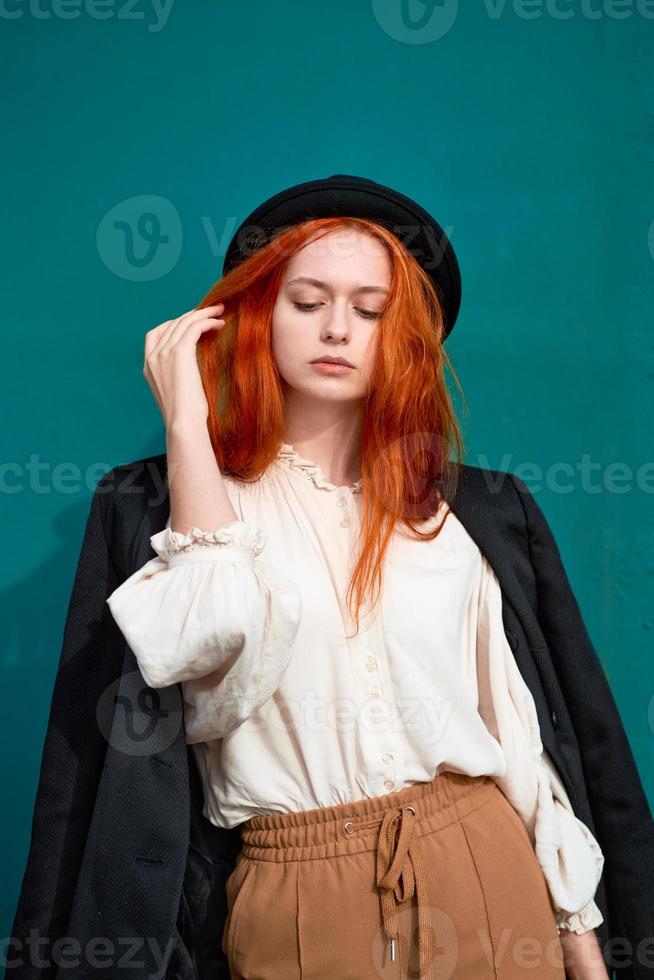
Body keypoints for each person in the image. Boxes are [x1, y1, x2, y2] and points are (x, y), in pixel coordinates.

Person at [6, 175, 653, 980]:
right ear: (255, 316)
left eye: (370, 309)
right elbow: (207, 653)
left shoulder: (473, 513)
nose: (338, 329)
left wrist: (578, 935)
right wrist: (186, 420)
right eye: (307, 302)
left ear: (405, 333)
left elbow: (521, 735)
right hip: (298, 896)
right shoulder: (155, 510)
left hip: (489, 873)